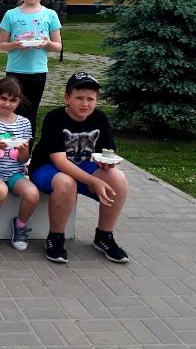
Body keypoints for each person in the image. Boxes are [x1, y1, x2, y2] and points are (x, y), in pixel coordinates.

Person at [30, 72, 130, 264]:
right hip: (47, 167)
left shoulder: (100, 118)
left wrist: (106, 163)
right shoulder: (55, 117)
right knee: (66, 182)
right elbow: (59, 161)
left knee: (118, 179)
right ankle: (56, 237)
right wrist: (93, 181)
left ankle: (104, 236)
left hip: (83, 165)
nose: (85, 104)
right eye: (79, 98)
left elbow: (107, 151)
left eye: (90, 99)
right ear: (67, 98)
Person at [0, 0, 62, 135]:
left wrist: (47, 44)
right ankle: (9, 145)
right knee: (11, 111)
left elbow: (58, 47)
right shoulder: (11, 14)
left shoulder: (50, 15)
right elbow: (2, 45)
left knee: (30, 114)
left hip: (38, 72)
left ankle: (26, 148)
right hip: (15, 71)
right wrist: (14, 45)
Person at [0, 76, 39, 251]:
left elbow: (23, 159)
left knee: (33, 194)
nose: (7, 104)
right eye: (3, 98)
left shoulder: (24, 123)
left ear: (19, 101)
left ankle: (20, 225)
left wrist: (23, 149)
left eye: (13, 100)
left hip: (14, 172)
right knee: (0, 190)